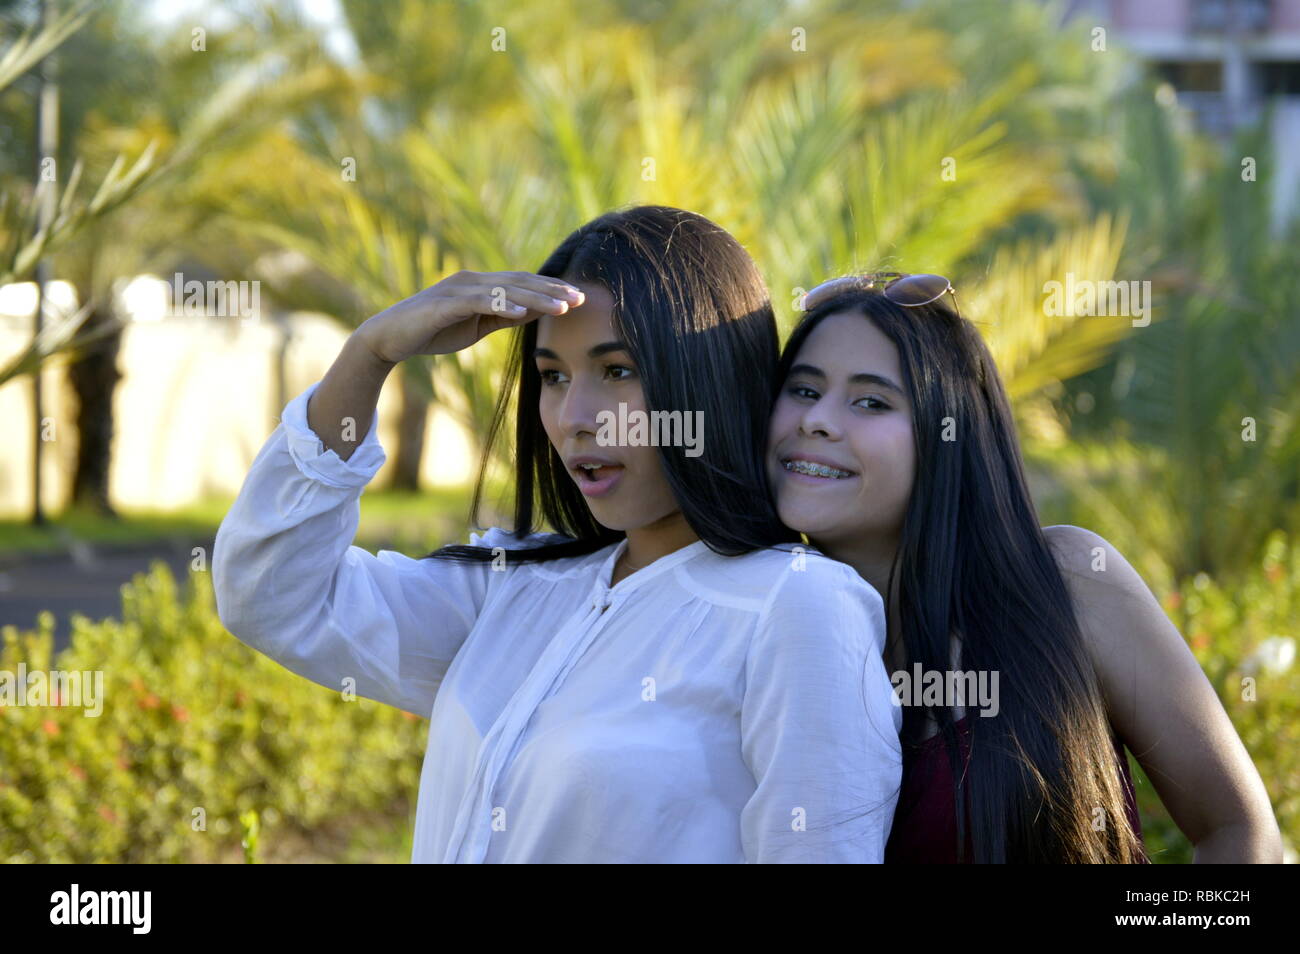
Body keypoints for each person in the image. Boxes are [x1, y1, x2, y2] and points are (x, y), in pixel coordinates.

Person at [212, 206, 903, 863]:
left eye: (618, 370)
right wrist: (369, 355)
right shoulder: (515, 589)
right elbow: (275, 598)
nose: (576, 415)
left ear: (710, 378)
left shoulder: (796, 606)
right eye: (552, 376)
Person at [764, 271, 1283, 862]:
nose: (818, 420)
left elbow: (1238, 828)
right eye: (803, 390)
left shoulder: (1066, 584)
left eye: (871, 401)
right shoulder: (755, 629)